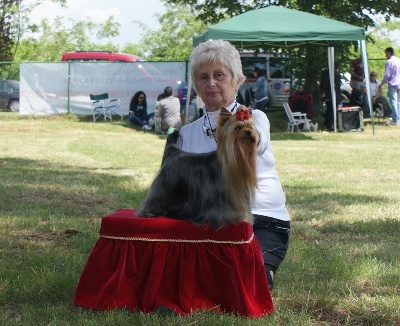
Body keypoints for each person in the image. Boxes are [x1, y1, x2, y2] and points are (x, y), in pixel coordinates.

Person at [177, 39, 291, 290]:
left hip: (263, 220)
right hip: (211, 221)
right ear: (196, 85)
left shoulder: (255, 119)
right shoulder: (186, 133)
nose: (211, 83)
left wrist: (240, 130)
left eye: (219, 75)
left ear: (237, 80)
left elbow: (256, 143)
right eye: (203, 77)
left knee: (252, 279)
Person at [378, 47, 400, 126]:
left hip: (393, 84)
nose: (385, 55)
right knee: (398, 101)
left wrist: (382, 83)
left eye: (386, 53)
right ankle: (397, 117)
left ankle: (395, 120)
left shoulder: (389, 62)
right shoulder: (398, 60)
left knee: (393, 101)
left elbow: (387, 74)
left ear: (389, 52)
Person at [320, 61, 342, 131]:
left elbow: (321, 84)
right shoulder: (335, 75)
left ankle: (328, 123)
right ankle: (330, 125)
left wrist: (323, 92)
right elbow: (337, 86)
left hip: (327, 94)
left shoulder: (325, 73)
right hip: (332, 94)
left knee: (329, 109)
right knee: (331, 110)